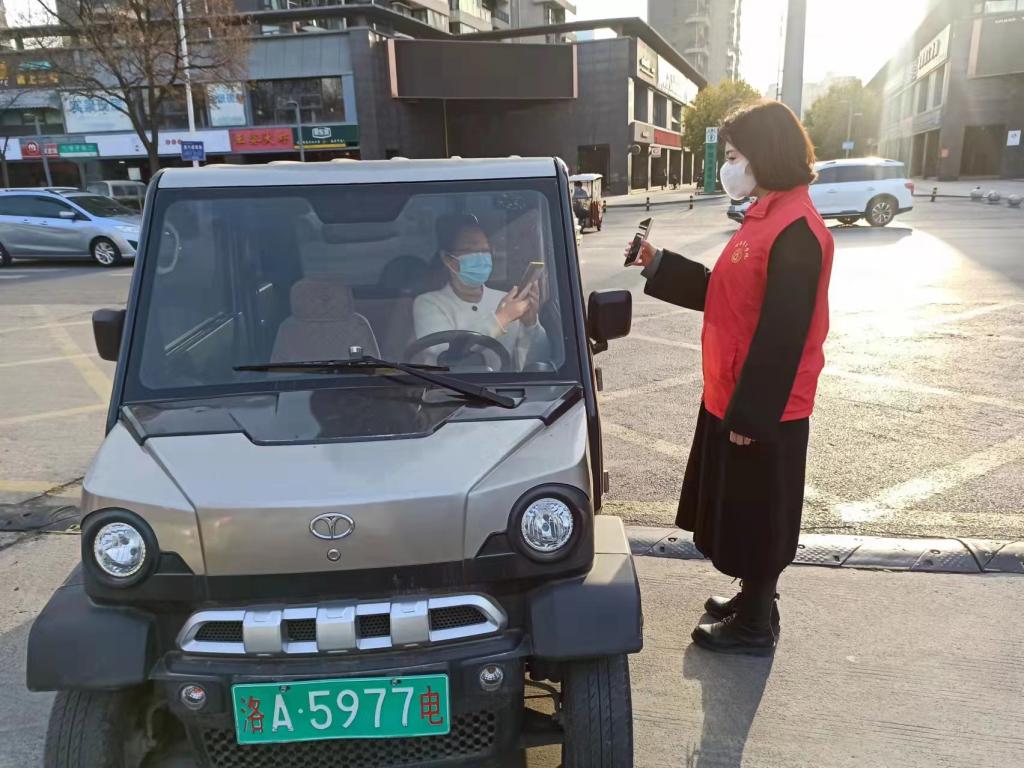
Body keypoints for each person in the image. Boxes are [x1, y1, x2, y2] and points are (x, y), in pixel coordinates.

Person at [627, 100, 834, 656]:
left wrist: (751, 415)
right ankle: (752, 601)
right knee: (742, 509)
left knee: (762, 516)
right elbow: (725, 292)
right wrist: (656, 261)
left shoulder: (796, 229)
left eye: (736, 154)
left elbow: (784, 333)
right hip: (731, 394)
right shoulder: (764, 216)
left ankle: (754, 627)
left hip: (763, 407)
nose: (730, 166)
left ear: (766, 153)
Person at [413, 213, 546, 370]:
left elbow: (536, 362)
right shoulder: (428, 303)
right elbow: (445, 353)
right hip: (444, 385)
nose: (480, 257)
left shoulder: (506, 301)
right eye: (470, 250)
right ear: (448, 259)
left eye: (485, 250)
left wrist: (530, 325)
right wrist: (501, 319)